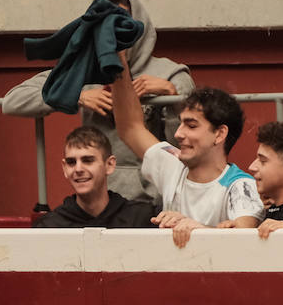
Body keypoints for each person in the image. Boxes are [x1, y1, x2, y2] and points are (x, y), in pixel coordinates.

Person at [3, 0, 193, 206]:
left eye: (121, 22)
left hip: (153, 199)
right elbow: (12, 101)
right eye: (105, 24)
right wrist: (77, 96)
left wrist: (172, 96)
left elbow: (189, 145)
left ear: (138, 24)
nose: (113, 33)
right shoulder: (83, 72)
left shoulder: (170, 74)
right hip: (98, 199)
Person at [110, 59, 261, 248]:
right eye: (181, 123)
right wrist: (117, 58)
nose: (178, 134)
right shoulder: (173, 163)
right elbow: (130, 127)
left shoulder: (241, 186)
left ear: (220, 134)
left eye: (191, 125)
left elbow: (243, 241)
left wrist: (196, 229)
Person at [33, 126, 155, 228]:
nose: (78, 169)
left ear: (110, 165)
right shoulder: (49, 227)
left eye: (87, 160)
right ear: (64, 168)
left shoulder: (143, 219)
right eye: (71, 162)